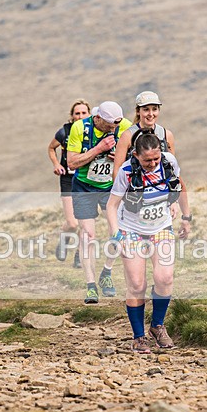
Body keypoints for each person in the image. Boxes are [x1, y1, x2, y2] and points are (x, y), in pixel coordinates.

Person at [107, 130, 191, 353]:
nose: (152, 164)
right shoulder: (126, 172)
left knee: (165, 278)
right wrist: (117, 236)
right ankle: (139, 337)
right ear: (135, 155)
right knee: (137, 285)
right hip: (131, 230)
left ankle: (157, 326)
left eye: (155, 159)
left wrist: (184, 215)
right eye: (147, 160)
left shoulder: (169, 162)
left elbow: (178, 186)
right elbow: (111, 206)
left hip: (161, 227)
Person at [66, 101, 132, 304]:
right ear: (98, 118)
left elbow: (136, 154)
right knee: (88, 235)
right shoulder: (80, 128)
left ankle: (107, 272)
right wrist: (98, 149)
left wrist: (121, 156)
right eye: (110, 124)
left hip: (110, 187)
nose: (114, 128)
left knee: (117, 232)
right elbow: (71, 162)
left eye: (116, 124)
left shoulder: (125, 127)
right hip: (84, 186)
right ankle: (91, 285)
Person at [47, 99, 91, 268]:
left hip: (87, 179)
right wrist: (56, 164)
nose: (80, 116)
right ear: (72, 116)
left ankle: (79, 256)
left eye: (83, 113)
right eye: (77, 113)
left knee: (85, 223)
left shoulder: (94, 132)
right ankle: (64, 238)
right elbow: (51, 148)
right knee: (72, 223)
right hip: (68, 179)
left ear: (90, 115)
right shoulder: (65, 132)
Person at [113, 91, 176, 172]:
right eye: (146, 110)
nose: (151, 114)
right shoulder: (127, 136)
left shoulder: (166, 134)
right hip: (136, 184)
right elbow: (117, 169)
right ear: (138, 111)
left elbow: (172, 165)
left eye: (154, 109)